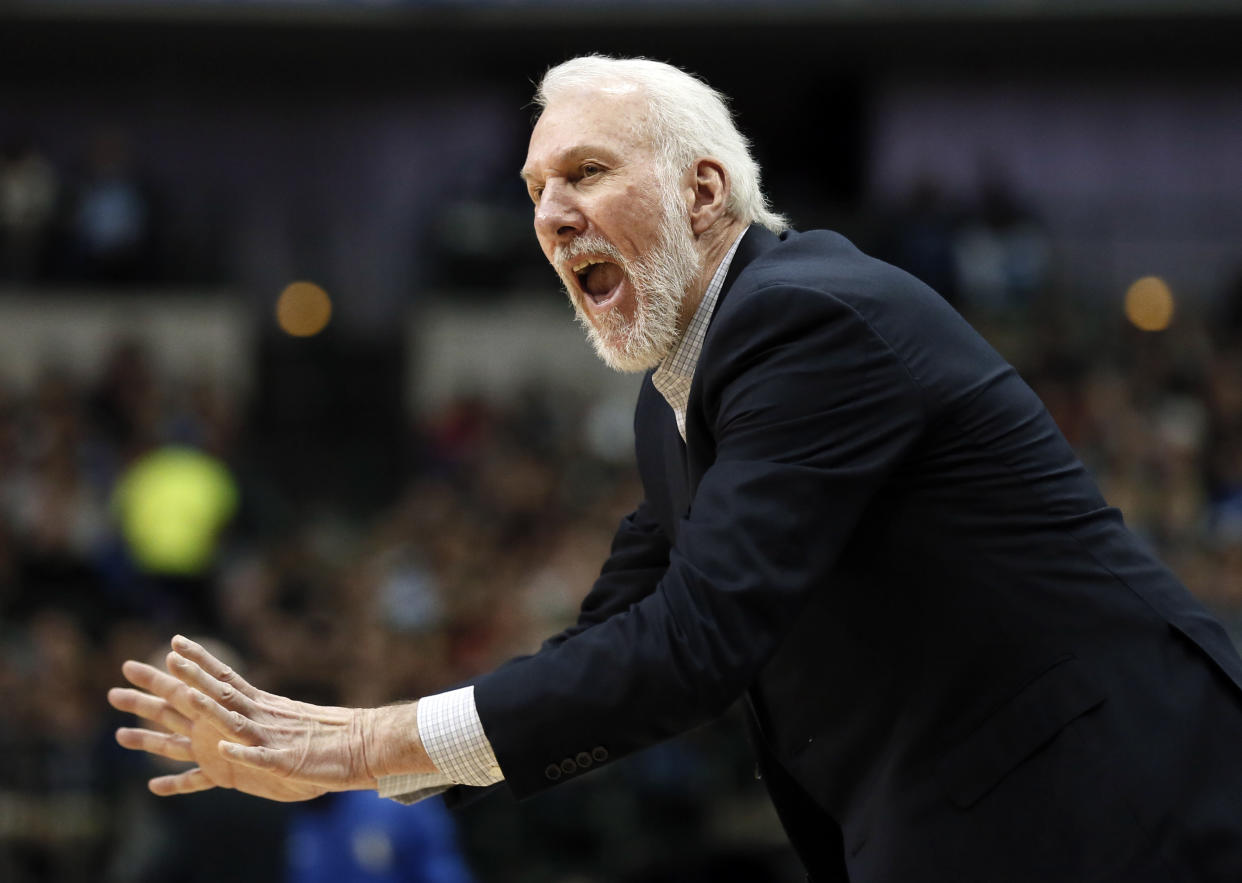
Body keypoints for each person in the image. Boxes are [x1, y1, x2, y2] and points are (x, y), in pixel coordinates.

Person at [109, 56, 1242, 882]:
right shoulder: (680, 398)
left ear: (704, 194)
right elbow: (610, 644)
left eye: (587, 173)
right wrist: (361, 764)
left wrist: (358, 744)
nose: (551, 217)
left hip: (1119, 797)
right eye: (535, 188)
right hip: (993, 815)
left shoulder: (809, 323)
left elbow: (692, 644)